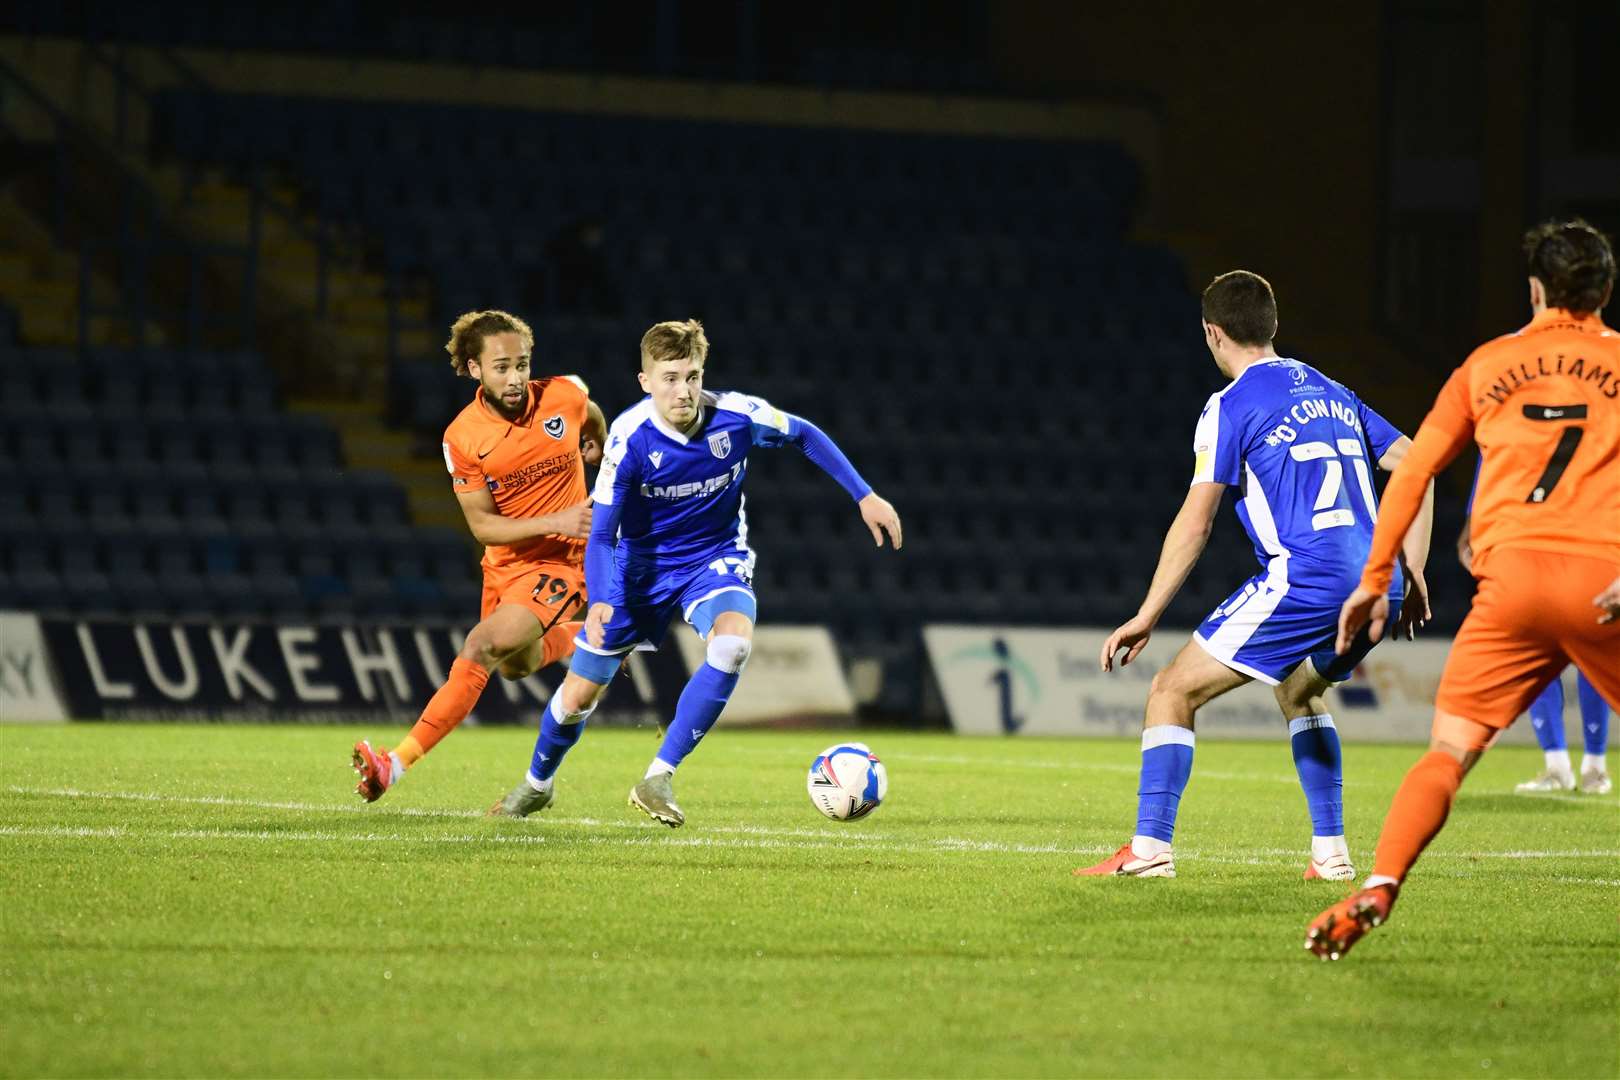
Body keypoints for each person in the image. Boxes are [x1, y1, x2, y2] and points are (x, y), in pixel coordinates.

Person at [1307, 219, 1620, 960]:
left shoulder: (1487, 364)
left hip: (1508, 584)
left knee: (1447, 753)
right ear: (1605, 290)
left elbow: (1413, 471)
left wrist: (1376, 576)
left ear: (1536, 289)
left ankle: (1379, 885)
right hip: (1603, 583)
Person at [1075, 271, 1433, 881]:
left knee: (1170, 690)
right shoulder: (1334, 390)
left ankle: (1148, 850)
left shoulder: (1230, 405)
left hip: (1308, 578)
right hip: (1379, 583)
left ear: (1213, 334)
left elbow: (1196, 521)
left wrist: (1147, 614)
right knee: (1298, 690)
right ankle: (1332, 855)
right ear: (1272, 325)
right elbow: (1422, 464)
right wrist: (1414, 568)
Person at [486, 318, 902, 826]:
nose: (682, 391)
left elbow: (803, 434)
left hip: (714, 557)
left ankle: (659, 775)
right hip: (639, 567)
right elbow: (600, 534)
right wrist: (598, 598)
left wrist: (865, 495)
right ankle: (536, 785)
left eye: (692, 376)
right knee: (578, 696)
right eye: (669, 378)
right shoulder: (629, 438)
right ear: (646, 381)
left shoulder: (738, 415)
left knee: (733, 645)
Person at [351, 310, 606, 801]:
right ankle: (593, 642)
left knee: (481, 648)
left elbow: (588, 413)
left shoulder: (563, 397)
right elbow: (482, 524)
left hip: (564, 562)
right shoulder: (462, 436)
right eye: (502, 367)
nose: (515, 378)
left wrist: (596, 441)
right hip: (505, 564)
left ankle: (394, 764)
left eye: (523, 365)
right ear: (475, 369)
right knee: (516, 664)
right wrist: (553, 519)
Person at [1459, 506, 1612, 794]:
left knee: (1592, 642)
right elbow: (1488, 462)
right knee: (1535, 643)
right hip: (1530, 536)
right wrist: (1472, 517)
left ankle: (1595, 765)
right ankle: (1556, 766)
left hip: (1588, 535)